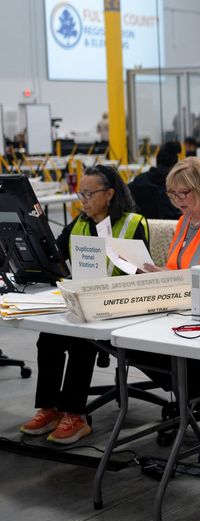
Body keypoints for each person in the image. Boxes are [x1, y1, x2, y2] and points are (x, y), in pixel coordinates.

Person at [20, 165, 149, 444]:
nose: (84, 200)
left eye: (90, 194)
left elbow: (140, 273)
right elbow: (55, 254)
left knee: (81, 342)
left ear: (110, 194)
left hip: (120, 306)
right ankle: (50, 408)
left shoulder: (132, 223)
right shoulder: (80, 222)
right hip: (85, 303)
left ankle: (76, 415)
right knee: (49, 338)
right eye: (81, 193)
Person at [131, 157, 200, 418]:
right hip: (181, 306)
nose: (178, 200)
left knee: (149, 349)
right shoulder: (185, 221)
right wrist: (156, 271)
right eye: (173, 193)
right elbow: (180, 268)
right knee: (131, 345)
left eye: (185, 193)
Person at [128, 142, 183, 220]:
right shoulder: (173, 187)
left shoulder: (138, 180)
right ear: (174, 166)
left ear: (157, 161)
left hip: (138, 227)